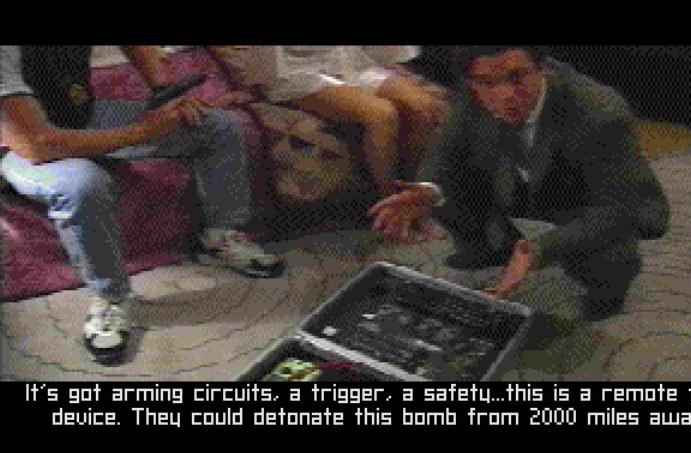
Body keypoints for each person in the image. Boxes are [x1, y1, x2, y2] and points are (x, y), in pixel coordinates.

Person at [0, 45, 284, 365]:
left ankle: (220, 235)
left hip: (82, 116)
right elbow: (37, 145)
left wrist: (166, 95)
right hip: (18, 144)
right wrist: (142, 132)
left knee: (217, 126)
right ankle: (111, 297)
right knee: (83, 186)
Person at [368, 46, 670, 321]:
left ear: (543, 67)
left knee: (605, 250)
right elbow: (448, 152)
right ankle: (489, 250)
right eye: (487, 83)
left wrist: (537, 249)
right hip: (517, 179)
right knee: (445, 189)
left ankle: (608, 286)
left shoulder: (601, 113)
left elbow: (616, 210)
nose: (505, 96)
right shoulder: (473, 91)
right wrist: (428, 190)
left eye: (517, 77)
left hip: (584, 196)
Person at [263, 46, 448, 195]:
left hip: (350, 63)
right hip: (297, 71)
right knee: (382, 115)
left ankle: (413, 192)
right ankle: (388, 203)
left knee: (424, 107)